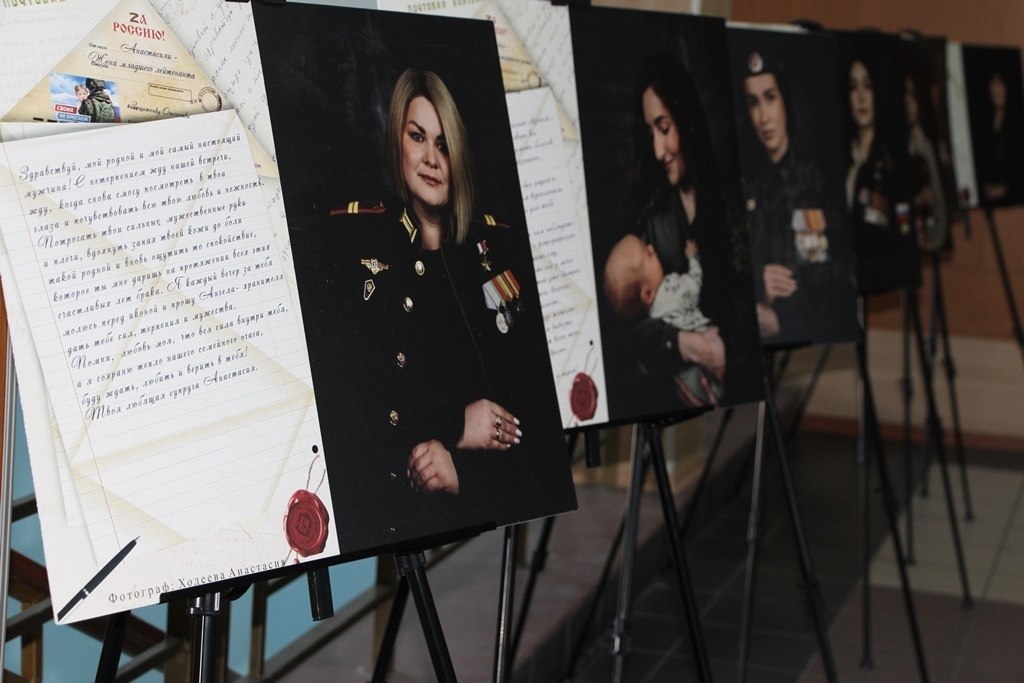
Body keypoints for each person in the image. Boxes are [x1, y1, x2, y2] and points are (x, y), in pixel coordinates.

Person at [322, 68, 533, 550]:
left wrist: (464, 470)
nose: (432, 159)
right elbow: (365, 398)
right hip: (398, 499)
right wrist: (457, 424)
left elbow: (525, 403)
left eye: (443, 144)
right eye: (417, 137)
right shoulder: (360, 245)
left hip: (481, 494)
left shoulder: (493, 249)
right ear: (397, 140)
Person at [622, 53, 731, 408]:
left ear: (687, 119)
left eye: (664, 128)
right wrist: (687, 344)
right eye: (650, 133)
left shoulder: (726, 198)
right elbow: (628, 324)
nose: (658, 150)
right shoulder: (653, 220)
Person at [741, 51, 844, 342]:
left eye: (770, 98)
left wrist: (784, 321)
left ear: (784, 101)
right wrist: (758, 282)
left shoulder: (811, 181)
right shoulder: (748, 182)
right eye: (754, 103)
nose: (764, 117)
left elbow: (823, 275)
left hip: (799, 327)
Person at [604, 234, 719, 404]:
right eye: (648, 254)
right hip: (710, 365)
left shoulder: (651, 323)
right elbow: (695, 284)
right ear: (647, 294)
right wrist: (693, 258)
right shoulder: (671, 291)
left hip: (690, 382)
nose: (651, 247)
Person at [844, 54, 914, 291]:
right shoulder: (841, 156)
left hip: (876, 273)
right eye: (853, 87)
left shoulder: (891, 159)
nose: (861, 97)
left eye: (868, 86)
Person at [904, 71, 949, 250]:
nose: (909, 104)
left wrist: (936, 239)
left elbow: (938, 198)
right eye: (905, 97)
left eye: (912, 97)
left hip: (929, 232)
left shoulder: (925, 146)